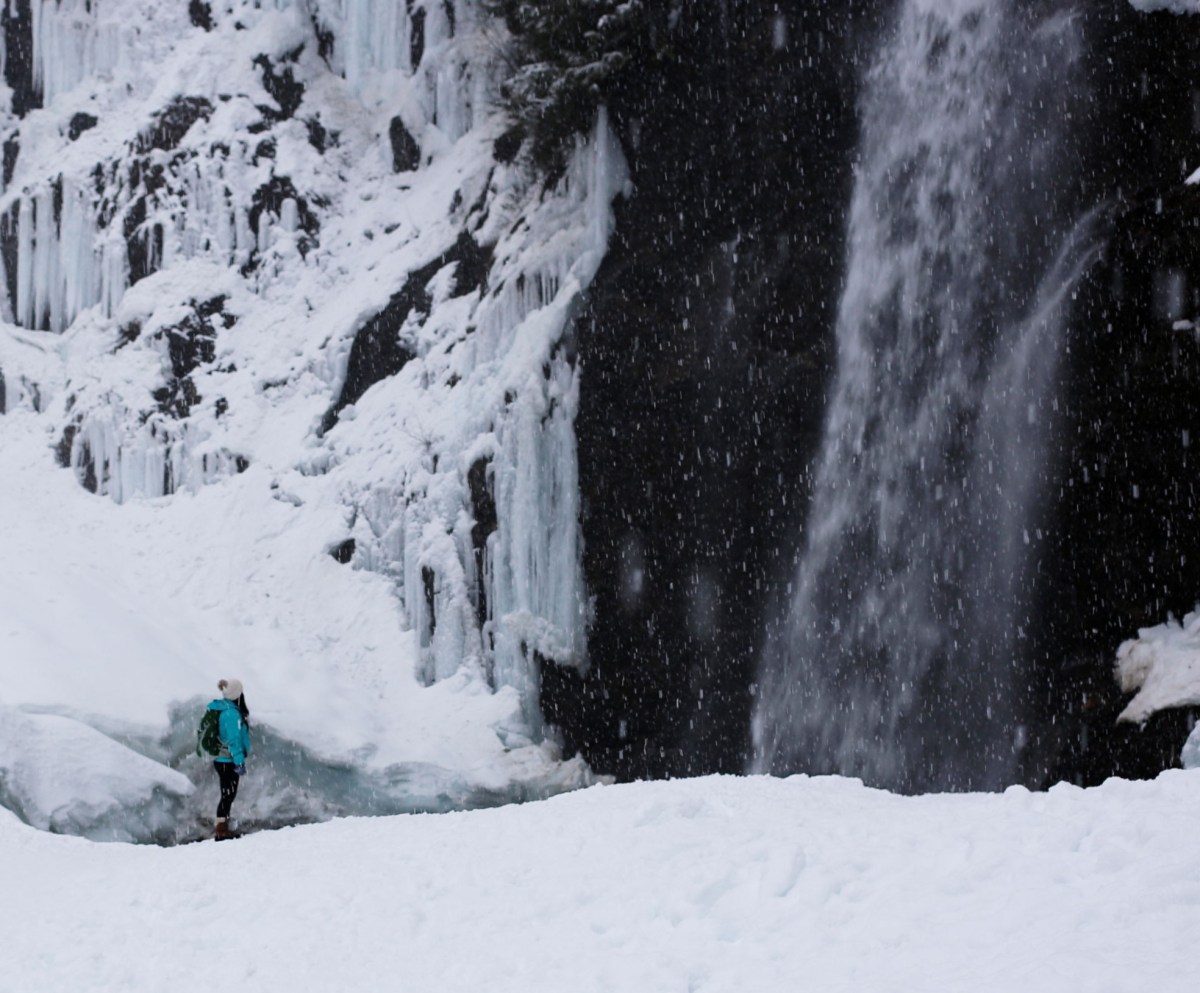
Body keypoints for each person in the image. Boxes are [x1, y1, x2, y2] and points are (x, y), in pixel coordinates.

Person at [208, 678, 251, 840]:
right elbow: (233, 740)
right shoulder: (231, 713)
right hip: (228, 761)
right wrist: (239, 762)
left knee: (227, 795)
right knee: (227, 796)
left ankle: (222, 828)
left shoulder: (225, 709)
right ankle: (221, 831)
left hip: (223, 759)